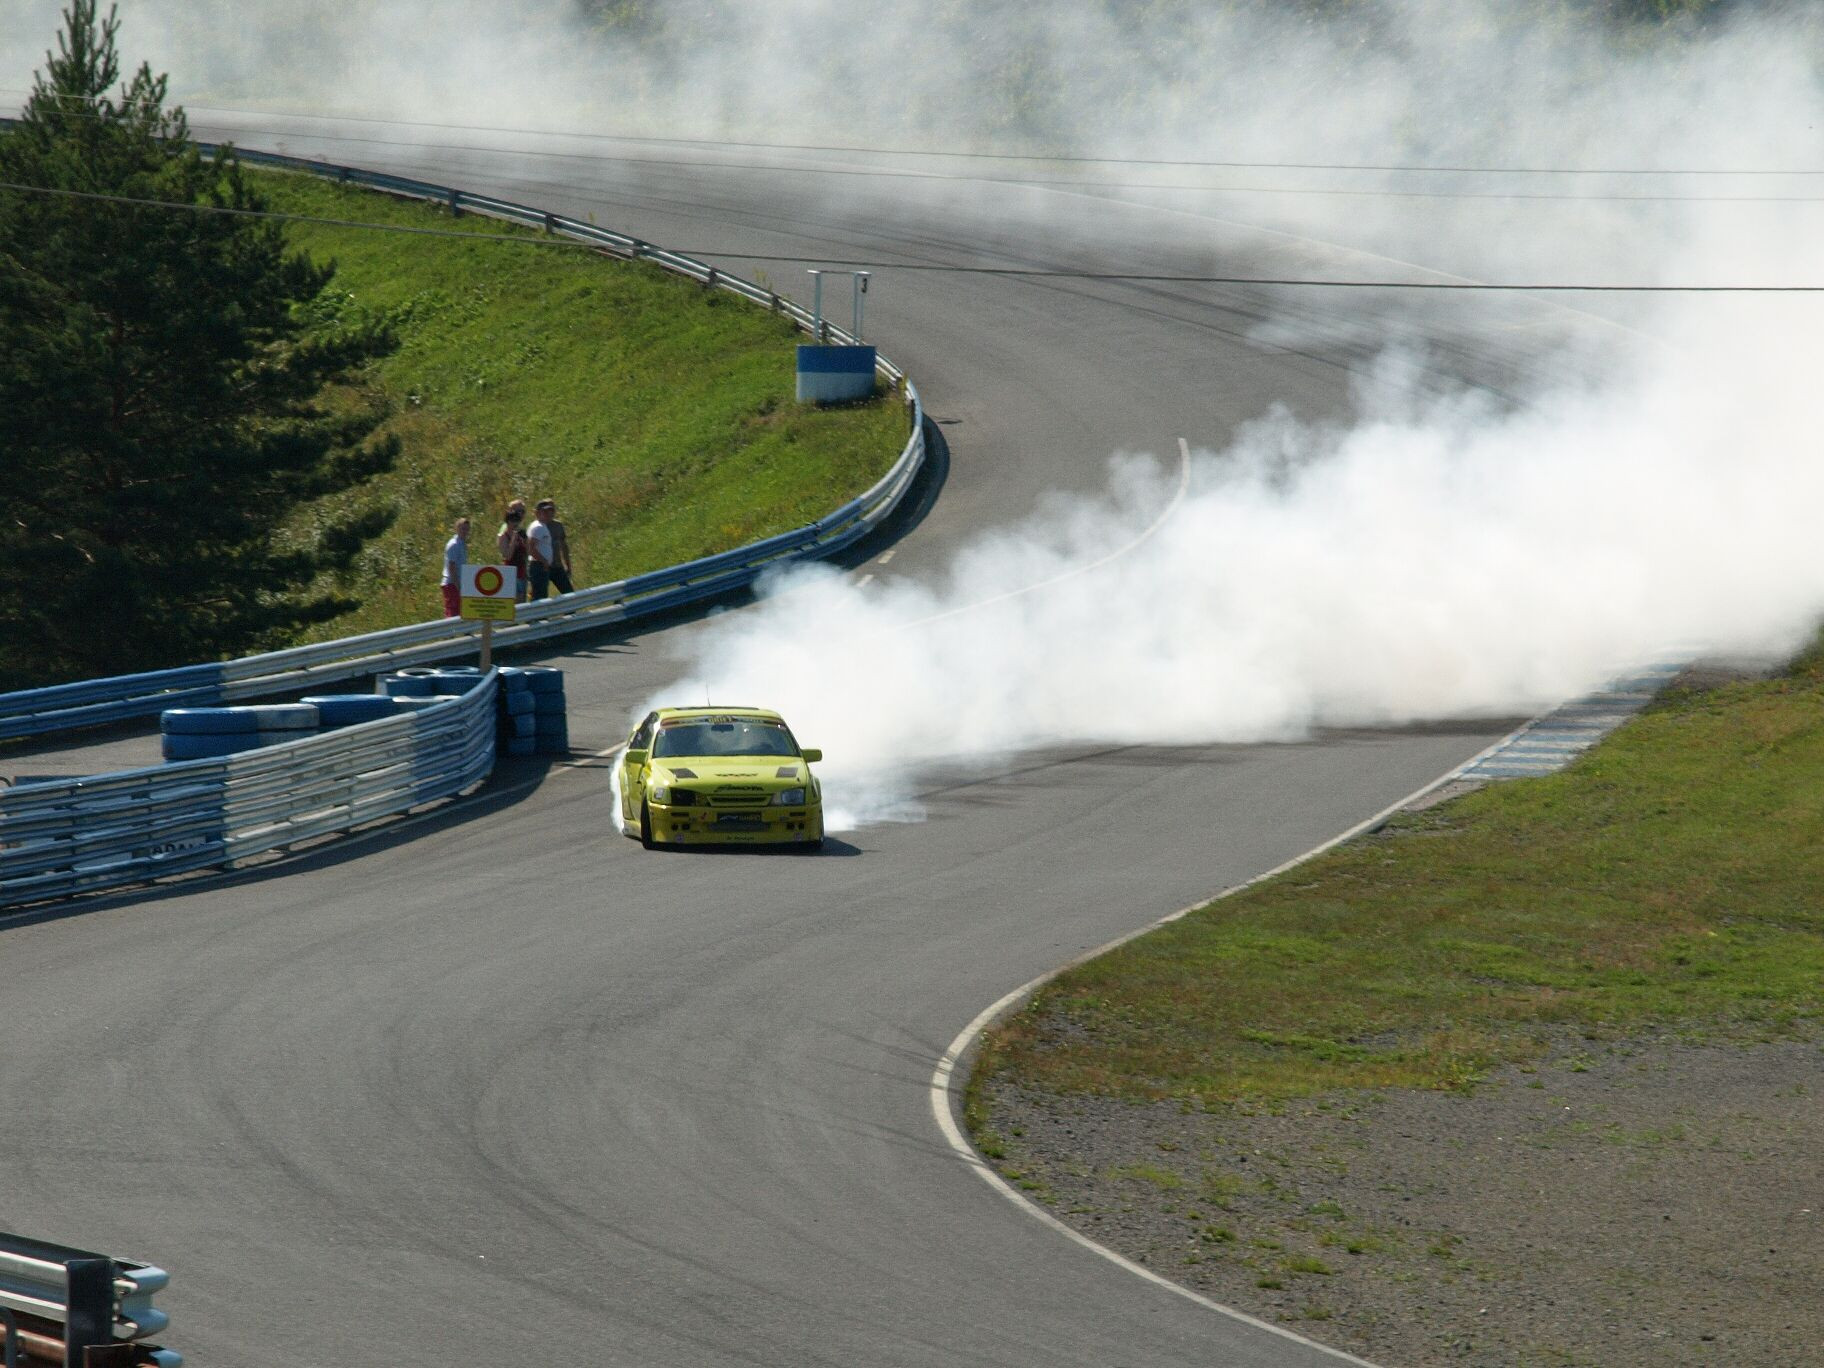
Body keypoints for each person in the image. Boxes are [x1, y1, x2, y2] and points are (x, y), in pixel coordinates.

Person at [529, 498, 574, 598]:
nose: (549, 513)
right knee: (540, 596)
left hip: (557, 565)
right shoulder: (538, 527)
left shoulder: (558, 526)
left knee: (569, 593)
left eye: (552, 510)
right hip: (543, 566)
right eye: (546, 511)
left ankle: (570, 613)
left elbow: (564, 546)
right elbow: (530, 547)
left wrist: (568, 565)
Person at [496, 499, 529, 602]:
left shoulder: (521, 532)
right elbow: (507, 556)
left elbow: (527, 552)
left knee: (522, 601)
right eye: (512, 520)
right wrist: (514, 540)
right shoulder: (504, 533)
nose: (515, 523)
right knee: (512, 602)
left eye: (517, 520)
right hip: (510, 573)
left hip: (521, 572)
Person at [439, 517, 470, 618]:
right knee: (452, 610)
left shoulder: (462, 544)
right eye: (462, 529)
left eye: (467, 529)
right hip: (451, 583)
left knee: (460, 609)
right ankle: (449, 633)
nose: (465, 531)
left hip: (458, 582)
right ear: (457, 528)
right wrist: (458, 586)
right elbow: (451, 568)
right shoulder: (454, 545)